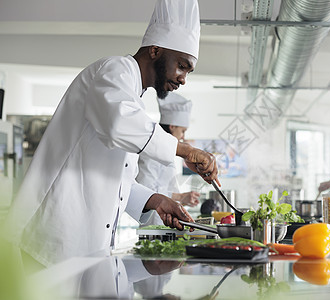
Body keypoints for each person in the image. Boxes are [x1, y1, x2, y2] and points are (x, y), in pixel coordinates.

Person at [2, 0, 219, 268]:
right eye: (182, 66)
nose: (183, 78)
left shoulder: (134, 98)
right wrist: (187, 150)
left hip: (84, 248)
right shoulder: (113, 71)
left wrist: (155, 200)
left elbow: (116, 179)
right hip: (51, 242)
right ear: (155, 50)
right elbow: (118, 125)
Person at [136, 92, 200, 226]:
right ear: (172, 126)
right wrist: (181, 197)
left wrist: (183, 199)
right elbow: (146, 189)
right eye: (183, 131)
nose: (183, 136)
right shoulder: (153, 151)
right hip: (153, 223)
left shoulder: (167, 152)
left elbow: (165, 188)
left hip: (164, 222)